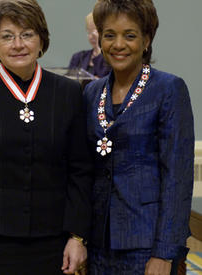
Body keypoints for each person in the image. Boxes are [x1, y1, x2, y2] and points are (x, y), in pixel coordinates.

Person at [0, 0, 93, 274]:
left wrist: (77, 236)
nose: (18, 44)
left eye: (27, 34)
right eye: (6, 36)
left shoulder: (68, 93)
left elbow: (80, 170)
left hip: (52, 243)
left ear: (41, 39)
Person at [83, 0, 194, 274]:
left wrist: (164, 254)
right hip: (98, 244)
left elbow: (177, 178)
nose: (118, 44)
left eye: (129, 35)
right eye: (109, 35)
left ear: (146, 40)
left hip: (147, 245)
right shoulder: (91, 93)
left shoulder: (168, 89)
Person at [68, 13, 109, 78]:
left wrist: (99, 51)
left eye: (96, 31)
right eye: (89, 32)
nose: (92, 36)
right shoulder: (78, 57)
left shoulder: (110, 59)